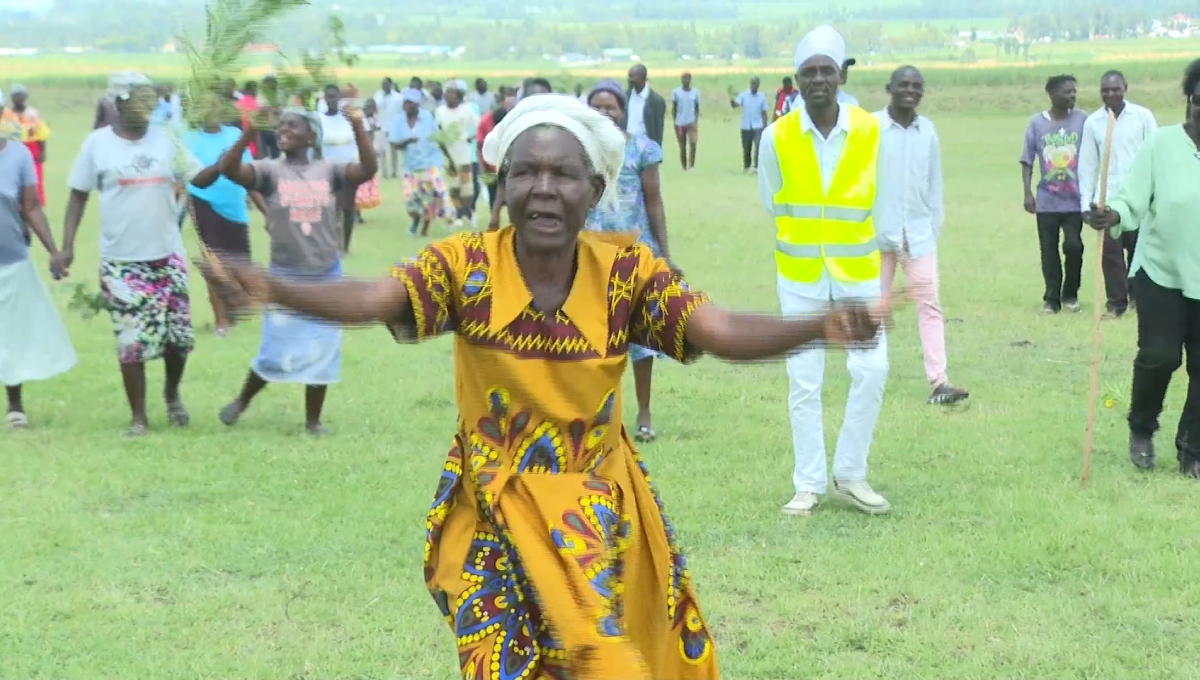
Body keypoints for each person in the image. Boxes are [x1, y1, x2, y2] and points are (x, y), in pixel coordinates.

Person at [200, 92, 889, 680]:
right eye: (525, 172)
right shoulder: (466, 267)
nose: (543, 189)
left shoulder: (628, 273)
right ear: (503, 186)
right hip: (491, 511)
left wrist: (819, 326)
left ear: (594, 189)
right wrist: (266, 284)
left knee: (606, 661)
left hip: (594, 515)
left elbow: (722, 331)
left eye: (564, 175)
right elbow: (375, 298)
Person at [759, 25, 891, 517]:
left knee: (873, 369)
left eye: (826, 71)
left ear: (841, 76)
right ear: (796, 80)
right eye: (808, 72)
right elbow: (772, 201)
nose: (818, 80)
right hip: (799, 276)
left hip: (857, 274)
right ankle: (808, 482)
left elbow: (886, 204)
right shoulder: (776, 137)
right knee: (804, 380)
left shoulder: (871, 131)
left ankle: (850, 473)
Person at [55, 73, 205, 437]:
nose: (147, 106)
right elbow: (78, 195)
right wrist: (68, 246)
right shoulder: (97, 145)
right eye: (139, 99)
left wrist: (234, 155)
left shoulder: (168, 140)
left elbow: (200, 177)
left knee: (178, 340)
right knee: (131, 341)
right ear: (118, 103)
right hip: (121, 261)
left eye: (150, 99)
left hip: (167, 255)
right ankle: (139, 417)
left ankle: (171, 394)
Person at [214, 107, 376, 435]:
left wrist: (357, 124)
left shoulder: (329, 169)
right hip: (284, 277)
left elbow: (369, 168)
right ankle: (241, 401)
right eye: (281, 125)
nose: (284, 130)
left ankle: (313, 422)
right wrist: (250, 131)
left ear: (311, 136)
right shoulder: (270, 170)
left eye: (293, 126)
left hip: (326, 276)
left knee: (322, 350)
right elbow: (228, 169)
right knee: (276, 347)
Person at [1089, 59, 1200, 476]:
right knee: (1159, 354)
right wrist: (1112, 214)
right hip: (1160, 272)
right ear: (1189, 101)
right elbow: (1131, 196)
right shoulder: (1162, 143)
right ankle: (1141, 427)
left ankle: (1193, 448)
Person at [587, 79, 678, 442]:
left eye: (611, 106)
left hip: (635, 255)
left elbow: (654, 201)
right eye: (597, 106)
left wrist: (666, 255)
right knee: (594, 336)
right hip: (590, 255)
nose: (605, 112)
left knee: (640, 338)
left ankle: (643, 413)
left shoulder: (642, 148)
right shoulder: (578, 150)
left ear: (623, 111)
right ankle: (600, 414)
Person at [874, 66, 969, 406]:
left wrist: (931, 229)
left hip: (918, 235)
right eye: (904, 85)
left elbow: (934, 186)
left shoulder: (927, 131)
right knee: (876, 308)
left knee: (929, 305)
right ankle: (872, 377)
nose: (910, 90)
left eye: (916, 86)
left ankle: (939, 383)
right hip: (876, 235)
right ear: (890, 88)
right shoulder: (870, 129)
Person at [0, 99, 76, 429]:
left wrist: (54, 251)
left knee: (11, 334)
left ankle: (15, 406)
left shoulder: (18, 155)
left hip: (11, 259)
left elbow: (31, 207)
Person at [1078, 70, 1157, 319]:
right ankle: (1116, 304)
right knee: (1110, 255)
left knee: (1139, 252)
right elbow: (1087, 166)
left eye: (1115, 89)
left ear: (1125, 87)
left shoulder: (1142, 117)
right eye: (1105, 90)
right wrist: (1085, 204)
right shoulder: (1093, 123)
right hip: (1107, 200)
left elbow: (1156, 156)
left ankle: (1139, 298)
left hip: (1139, 198)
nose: (1110, 94)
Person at [183, 104, 266, 336]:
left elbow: (249, 176)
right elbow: (186, 176)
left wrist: (266, 211)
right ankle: (220, 322)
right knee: (214, 263)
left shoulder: (234, 136)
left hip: (235, 208)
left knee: (239, 265)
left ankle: (233, 315)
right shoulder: (189, 139)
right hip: (204, 204)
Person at [1021, 75, 1087, 315]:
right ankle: (1051, 300)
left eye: (1074, 91)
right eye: (1067, 92)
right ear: (1051, 94)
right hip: (1047, 201)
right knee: (1048, 252)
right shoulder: (1037, 123)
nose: (1072, 95)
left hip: (1075, 200)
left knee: (1074, 246)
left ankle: (1070, 294)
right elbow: (1027, 159)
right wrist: (1028, 193)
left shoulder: (1082, 120)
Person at [486, 79, 553, 231]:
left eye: (542, 98)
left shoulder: (566, 133)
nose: (537, 104)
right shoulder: (515, 133)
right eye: (532, 98)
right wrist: (495, 215)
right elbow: (504, 175)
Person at [391, 88, 453, 237]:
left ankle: (432, 225)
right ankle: (415, 220)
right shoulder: (398, 120)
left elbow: (438, 139)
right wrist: (406, 141)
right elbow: (394, 144)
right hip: (411, 166)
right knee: (411, 200)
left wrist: (449, 159)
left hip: (430, 163)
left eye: (410, 103)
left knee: (435, 194)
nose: (407, 106)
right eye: (405, 103)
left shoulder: (428, 118)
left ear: (417, 105)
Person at [318, 84, 359, 253]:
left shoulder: (347, 118)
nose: (332, 100)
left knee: (348, 209)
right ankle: (334, 246)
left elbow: (357, 141)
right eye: (329, 97)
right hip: (328, 170)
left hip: (349, 169)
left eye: (335, 96)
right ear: (325, 99)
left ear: (339, 98)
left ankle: (346, 246)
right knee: (331, 210)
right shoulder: (319, 119)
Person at [435, 82, 481, 227]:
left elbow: (479, 126)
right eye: (447, 93)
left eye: (452, 94)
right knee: (453, 187)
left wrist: (471, 137)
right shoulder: (440, 111)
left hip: (465, 154)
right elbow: (438, 131)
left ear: (459, 97)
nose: (448, 96)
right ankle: (458, 215)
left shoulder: (467, 110)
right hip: (448, 155)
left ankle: (468, 212)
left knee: (467, 188)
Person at [0, 85, 50, 210]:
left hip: (32, 147)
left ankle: (36, 203)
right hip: (13, 146)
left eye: (21, 94)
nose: (18, 98)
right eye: (15, 95)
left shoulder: (33, 114)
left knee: (35, 178)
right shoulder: (7, 114)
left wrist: (43, 150)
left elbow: (41, 132)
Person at [731, 77, 769, 173]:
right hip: (745, 125)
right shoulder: (743, 95)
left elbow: (764, 112)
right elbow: (736, 105)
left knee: (758, 146)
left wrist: (765, 125)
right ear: (750, 84)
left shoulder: (761, 97)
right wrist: (732, 101)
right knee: (746, 147)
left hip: (758, 125)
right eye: (753, 84)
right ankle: (747, 167)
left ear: (758, 85)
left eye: (756, 84)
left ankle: (756, 167)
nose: (754, 86)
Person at [356, 98, 383, 218]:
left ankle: (358, 213)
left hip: (366, 154)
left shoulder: (371, 119)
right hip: (359, 155)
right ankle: (356, 213)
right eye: (371, 110)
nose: (372, 112)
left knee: (362, 187)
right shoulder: (360, 119)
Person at [626, 64, 666, 146]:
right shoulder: (625, 97)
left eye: (634, 77)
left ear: (643, 78)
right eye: (629, 76)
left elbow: (658, 130)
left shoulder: (656, 101)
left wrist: (656, 151)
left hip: (647, 145)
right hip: (628, 144)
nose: (630, 79)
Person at [373, 77, 404, 179]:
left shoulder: (398, 97)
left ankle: (394, 172)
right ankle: (384, 172)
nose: (385, 86)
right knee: (381, 150)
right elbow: (374, 110)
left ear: (391, 85)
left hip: (394, 127)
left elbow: (401, 113)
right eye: (383, 84)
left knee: (394, 152)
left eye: (387, 84)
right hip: (381, 127)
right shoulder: (378, 96)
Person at [671, 72, 700, 171]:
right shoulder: (676, 92)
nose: (686, 81)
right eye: (684, 79)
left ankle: (692, 166)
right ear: (681, 80)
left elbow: (697, 107)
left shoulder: (695, 92)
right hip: (679, 124)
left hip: (691, 123)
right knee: (682, 145)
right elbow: (674, 108)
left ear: (690, 80)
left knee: (693, 144)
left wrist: (696, 120)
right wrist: (675, 121)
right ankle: (684, 167)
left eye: (688, 79)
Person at [257, 75, 283, 159]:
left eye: (273, 82)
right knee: (263, 154)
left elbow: (280, 109)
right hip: (264, 128)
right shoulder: (261, 95)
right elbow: (260, 109)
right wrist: (272, 108)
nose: (272, 85)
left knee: (276, 153)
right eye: (269, 83)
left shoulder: (278, 95)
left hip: (276, 128)